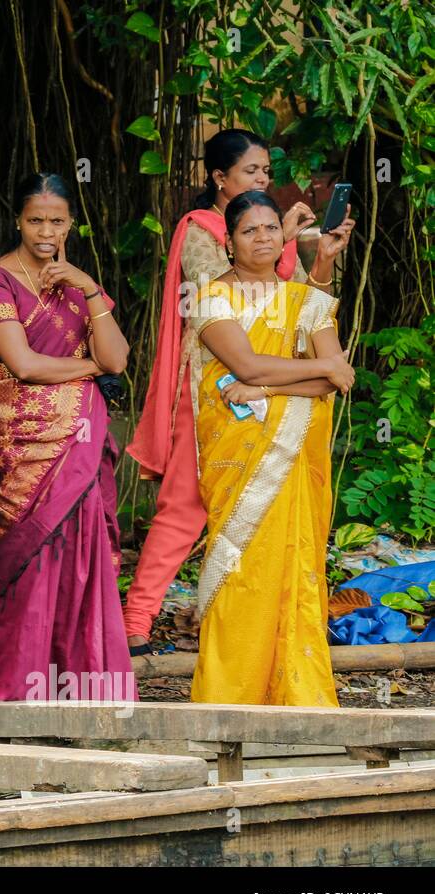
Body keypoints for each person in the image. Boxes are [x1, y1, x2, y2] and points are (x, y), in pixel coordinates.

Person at [122, 128, 354, 653]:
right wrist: (287, 240)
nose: (261, 178)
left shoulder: (267, 230)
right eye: (251, 171)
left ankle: (268, 627)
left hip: (276, 388)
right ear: (219, 178)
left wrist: (316, 260)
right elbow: (237, 298)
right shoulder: (201, 230)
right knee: (185, 503)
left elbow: (291, 307)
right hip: (216, 381)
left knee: (271, 508)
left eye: (266, 173)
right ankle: (137, 618)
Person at [0, 173, 137, 703]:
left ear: (70, 223)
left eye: (56, 221)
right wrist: (89, 369)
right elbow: (22, 364)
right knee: (27, 559)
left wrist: (87, 288)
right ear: (18, 220)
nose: (45, 230)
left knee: (79, 557)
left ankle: (83, 697)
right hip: (19, 446)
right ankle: (18, 697)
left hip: (78, 443)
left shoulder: (83, 285)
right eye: (35, 220)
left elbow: (118, 360)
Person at [187, 191, 354, 705]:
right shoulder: (210, 297)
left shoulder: (306, 300)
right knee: (243, 573)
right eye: (249, 230)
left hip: (294, 453)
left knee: (294, 569)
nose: (262, 237)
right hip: (239, 455)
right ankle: (228, 703)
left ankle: (299, 703)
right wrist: (316, 368)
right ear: (230, 243)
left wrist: (267, 389)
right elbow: (249, 364)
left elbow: (333, 382)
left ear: (283, 236)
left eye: (269, 228)